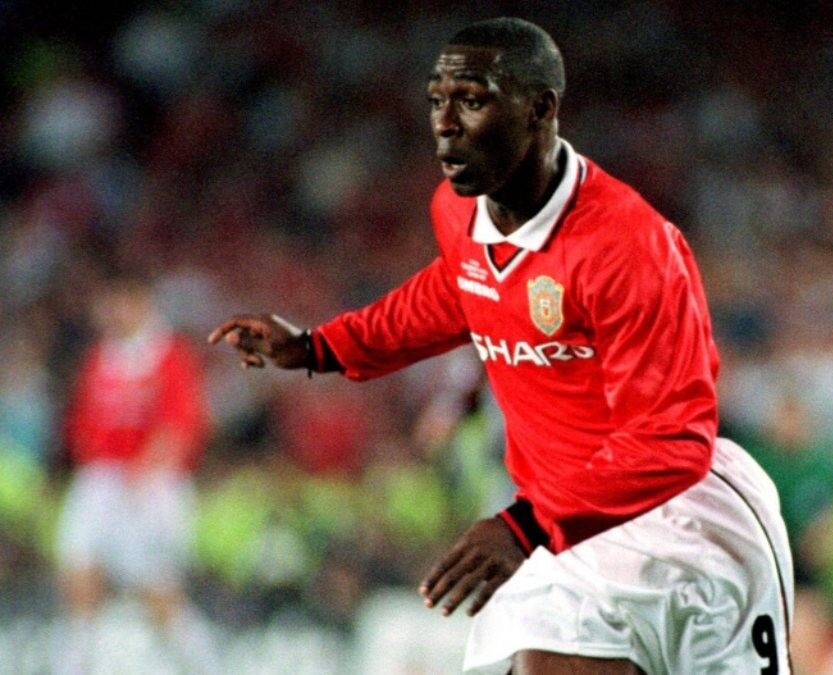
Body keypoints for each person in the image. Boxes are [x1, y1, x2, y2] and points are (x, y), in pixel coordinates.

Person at [209, 17, 793, 674]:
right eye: (437, 99)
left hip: (682, 526)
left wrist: (524, 525)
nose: (444, 124)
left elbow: (673, 442)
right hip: (559, 535)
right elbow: (456, 290)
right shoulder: (457, 210)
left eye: (472, 100)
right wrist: (319, 348)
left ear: (540, 109)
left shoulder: (630, 245)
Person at [57, 273, 219, 674]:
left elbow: (182, 424)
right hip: (101, 479)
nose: (111, 313)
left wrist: (145, 472)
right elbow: (84, 420)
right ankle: (76, 659)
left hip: (152, 484)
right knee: (77, 563)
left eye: (119, 304)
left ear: (141, 303)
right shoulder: (101, 354)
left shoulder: (169, 354)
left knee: (156, 590)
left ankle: (204, 664)